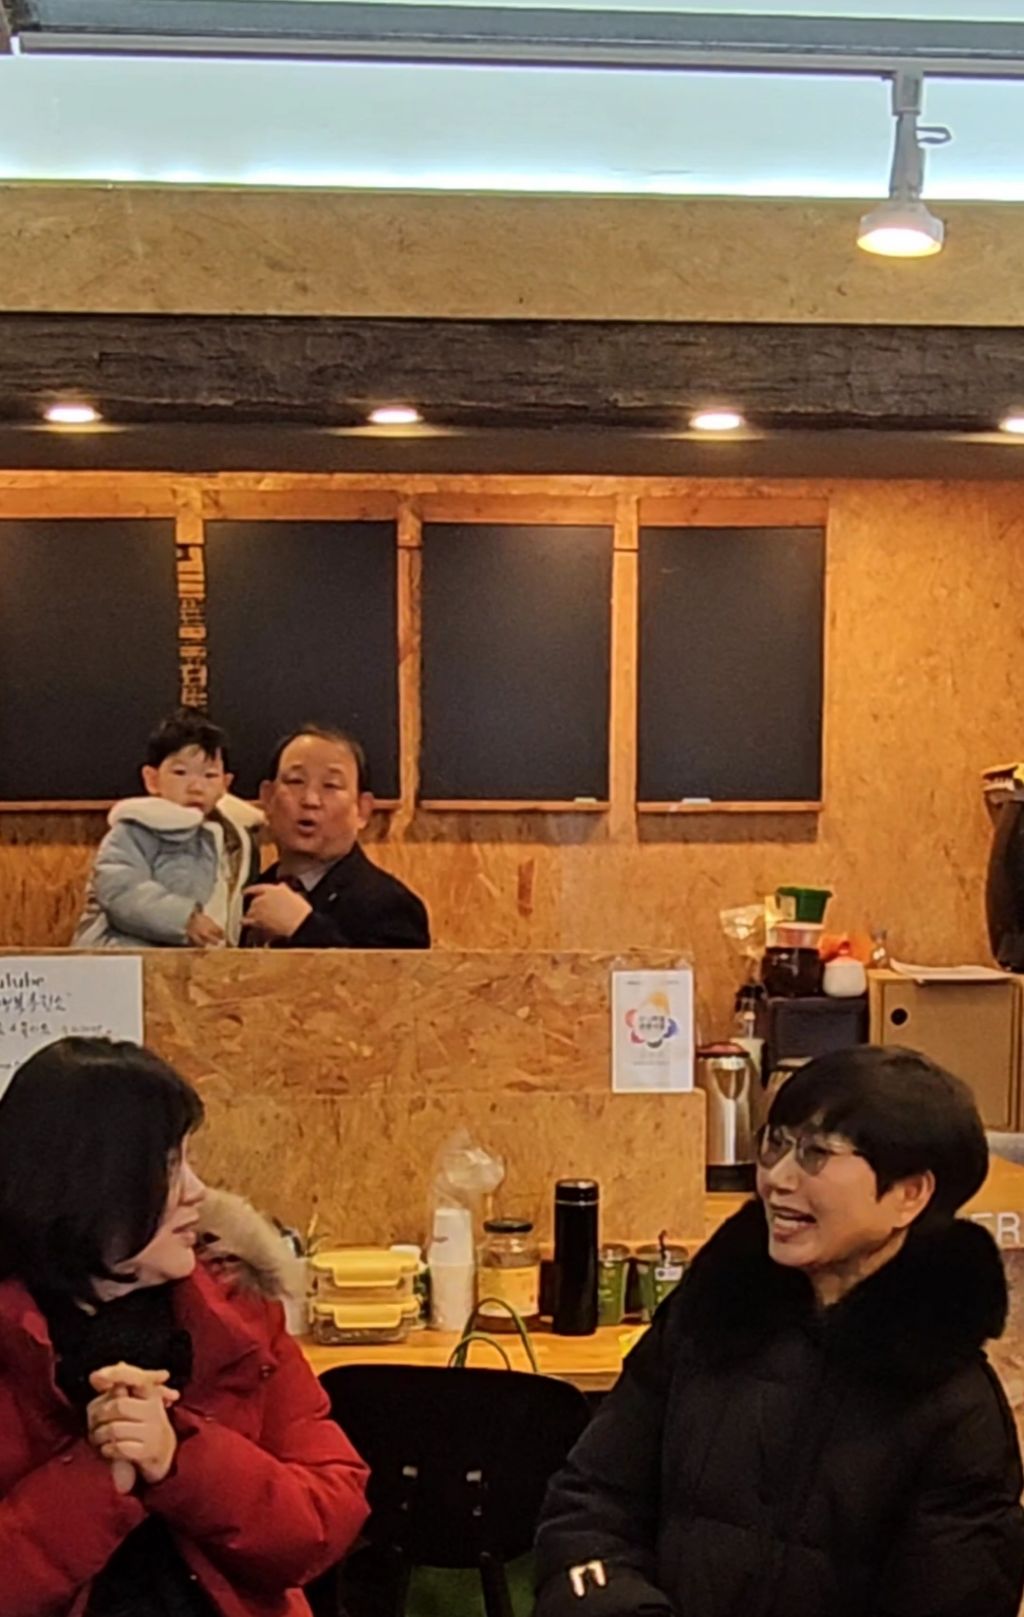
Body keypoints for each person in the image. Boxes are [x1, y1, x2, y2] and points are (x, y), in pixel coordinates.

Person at [534, 1046, 1024, 1617]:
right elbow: (590, 1504)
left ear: (909, 1195)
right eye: (776, 1143)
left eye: (817, 1154)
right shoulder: (710, 1320)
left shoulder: (955, 1409)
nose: (777, 1179)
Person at [0, 1036, 369, 1617]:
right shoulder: (13, 1344)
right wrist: (97, 1475)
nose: (198, 1191)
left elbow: (325, 1521)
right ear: (86, 1188)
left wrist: (179, 1456)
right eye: (169, 1168)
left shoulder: (237, 1313)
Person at [74, 708, 263, 949]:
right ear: (152, 779)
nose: (196, 787)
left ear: (225, 784)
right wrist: (184, 919)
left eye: (210, 775)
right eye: (180, 773)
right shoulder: (135, 829)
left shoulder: (235, 839)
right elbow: (120, 889)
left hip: (200, 961)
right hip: (125, 955)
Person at [243, 725, 430, 949]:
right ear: (268, 798)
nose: (310, 800)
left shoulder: (392, 907)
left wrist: (304, 928)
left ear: (362, 810)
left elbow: (386, 973)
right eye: (295, 781)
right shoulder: (248, 892)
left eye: (331, 786)